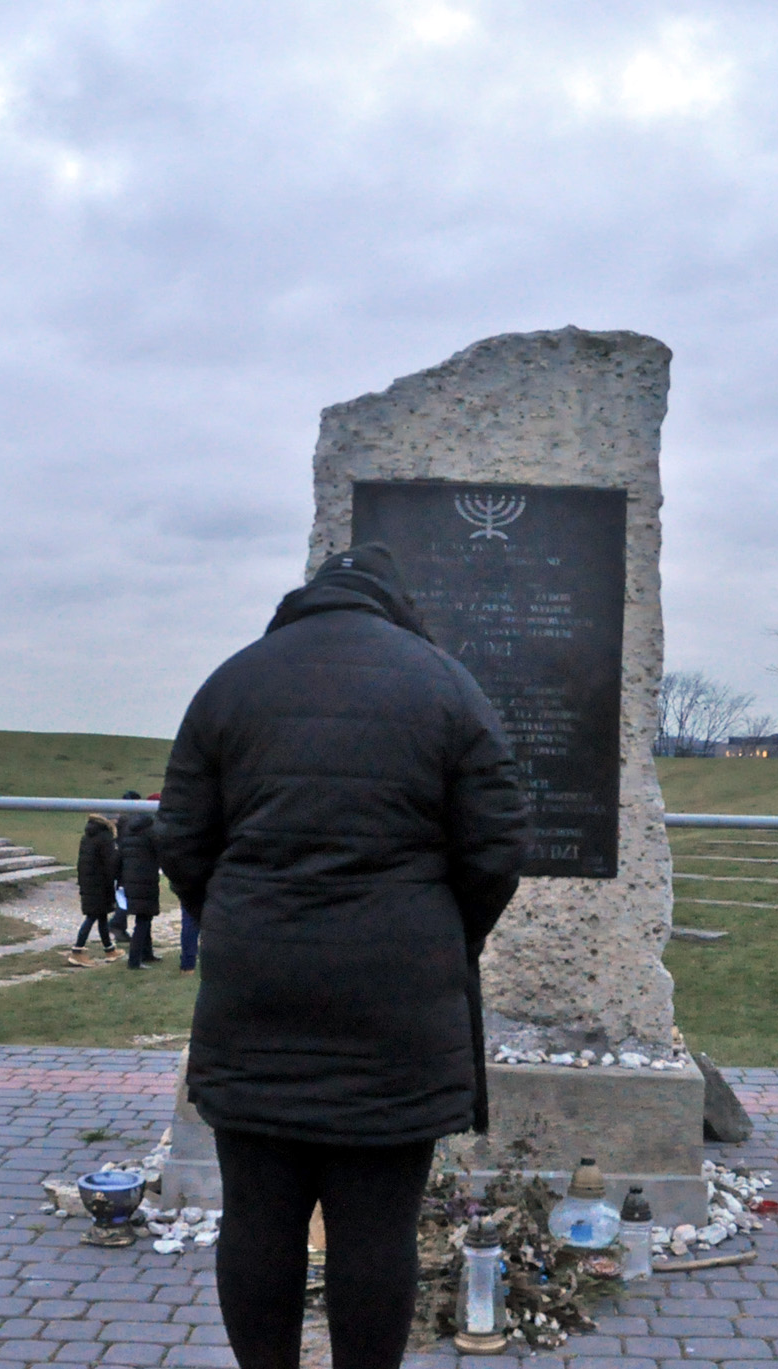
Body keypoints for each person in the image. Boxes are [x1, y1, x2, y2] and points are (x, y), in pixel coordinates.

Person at [155, 542, 525, 1369]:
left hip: (256, 995)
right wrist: (438, 931)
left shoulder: (233, 680)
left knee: (256, 1217)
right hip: (397, 1003)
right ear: (393, 602)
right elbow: (498, 844)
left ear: (308, 597)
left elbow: (180, 832)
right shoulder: (446, 684)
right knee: (377, 1228)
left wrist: (239, 918)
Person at [116, 790, 162, 968]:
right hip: (146, 879)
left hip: (130, 879)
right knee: (143, 920)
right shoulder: (151, 833)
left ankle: (147, 953)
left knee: (144, 917)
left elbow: (119, 857)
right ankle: (134, 960)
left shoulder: (128, 832)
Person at [71, 814, 120, 966]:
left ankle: (109, 949)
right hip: (100, 883)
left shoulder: (87, 837)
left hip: (88, 881)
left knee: (101, 916)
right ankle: (77, 951)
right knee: (92, 916)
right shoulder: (105, 838)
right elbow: (110, 864)